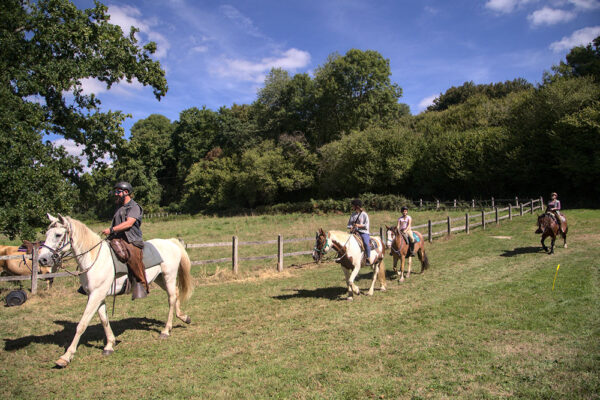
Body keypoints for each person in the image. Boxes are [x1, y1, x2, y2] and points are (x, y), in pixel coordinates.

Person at [102, 181, 148, 300]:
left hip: (131, 240)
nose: (116, 194)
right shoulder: (119, 207)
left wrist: (111, 229)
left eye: (118, 191)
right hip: (117, 238)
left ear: (126, 192)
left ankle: (141, 283)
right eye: (115, 191)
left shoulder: (134, 207)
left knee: (132, 256)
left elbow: (129, 223)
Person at [347, 199, 371, 265]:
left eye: (353, 206)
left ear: (357, 206)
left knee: (366, 243)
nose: (352, 207)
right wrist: (351, 227)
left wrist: (358, 225)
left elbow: (366, 226)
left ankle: (368, 258)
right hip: (354, 232)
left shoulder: (364, 215)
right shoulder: (353, 214)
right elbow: (349, 224)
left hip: (363, 232)